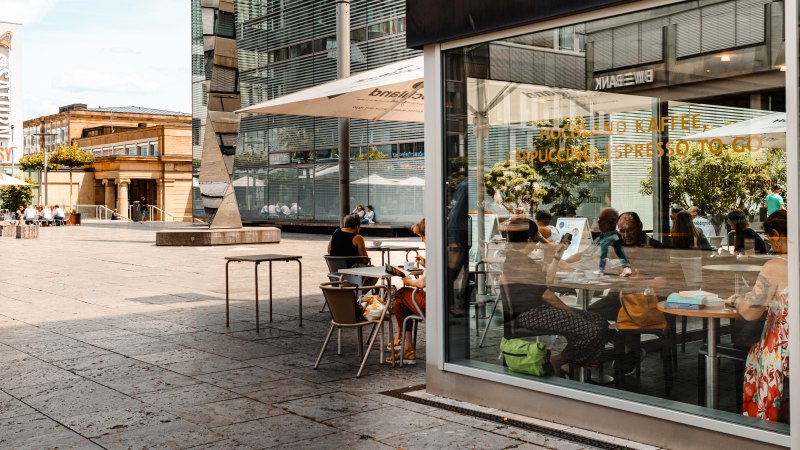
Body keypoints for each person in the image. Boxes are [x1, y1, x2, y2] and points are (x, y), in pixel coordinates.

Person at [506, 220, 608, 374]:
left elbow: (548, 282)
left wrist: (557, 256)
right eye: (536, 237)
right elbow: (548, 295)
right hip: (531, 314)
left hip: (537, 311)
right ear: (529, 240)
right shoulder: (521, 262)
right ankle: (569, 363)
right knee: (592, 330)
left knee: (599, 321)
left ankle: (568, 361)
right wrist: (571, 311)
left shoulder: (517, 258)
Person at [728, 210, 789, 421]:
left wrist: (736, 300)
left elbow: (750, 311)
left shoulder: (776, 266)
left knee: (752, 351)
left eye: (770, 239)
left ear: (776, 234)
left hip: (783, 351)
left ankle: (764, 426)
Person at [388, 218, 426, 365]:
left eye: (423, 236)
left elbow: (421, 283)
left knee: (401, 293)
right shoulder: (445, 249)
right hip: (445, 301)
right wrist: (426, 263)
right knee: (399, 303)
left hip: (436, 305)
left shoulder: (436, 250)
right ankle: (408, 349)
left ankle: (403, 342)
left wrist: (408, 281)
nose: (422, 240)